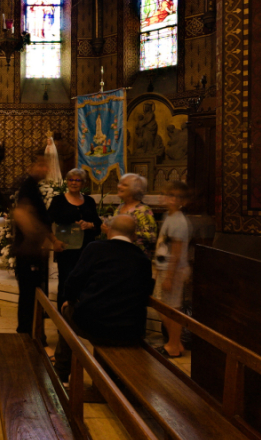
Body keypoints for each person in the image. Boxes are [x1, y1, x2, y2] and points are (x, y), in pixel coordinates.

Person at [53, 214, 154, 379]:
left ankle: (61, 373)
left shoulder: (95, 248)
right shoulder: (143, 259)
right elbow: (145, 293)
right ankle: (115, 381)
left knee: (67, 313)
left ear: (109, 231)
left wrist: (70, 301)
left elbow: (73, 282)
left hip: (94, 325)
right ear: (134, 235)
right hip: (130, 330)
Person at [12, 153, 63, 339]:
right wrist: (36, 238)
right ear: (31, 167)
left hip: (33, 252)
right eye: (41, 165)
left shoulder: (33, 187)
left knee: (34, 295)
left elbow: (40, 217)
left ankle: (34, 333)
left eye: (46, 165)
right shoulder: (28, 187)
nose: (45, 169)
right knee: (29, 296)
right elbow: (21, 214)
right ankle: (27, 334)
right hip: (28, 253)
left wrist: (53, 240)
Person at [48, 169, 100, 311]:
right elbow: (45, 223)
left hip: (86, 250)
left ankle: (80, 318)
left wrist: (90, 225)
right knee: (66, 282)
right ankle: (63, 319)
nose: (74, 183)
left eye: (77, 180)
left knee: (85, 282)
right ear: (67, 182)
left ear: (83, 183)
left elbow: (98, 223)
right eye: (71, 180)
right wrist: (54, 241)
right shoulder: (58, 200)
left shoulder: (89, 201)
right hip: (67, 249)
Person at [154, 180, 191, 358]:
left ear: (183, 201)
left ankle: (174, 345)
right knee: (162, 307)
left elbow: (176, 252)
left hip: (173, 270)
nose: (173, 199)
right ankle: (176, 342)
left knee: (172, 309)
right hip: (165, 268)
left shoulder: (179, 221)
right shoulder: (169, 216)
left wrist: (169, 276)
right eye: (170, 195)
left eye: (177, 197)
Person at [117, 173, 157, 259]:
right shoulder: (119, 207)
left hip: (136, 257)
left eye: (124, 185)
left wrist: (131, 235)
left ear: (134, 190)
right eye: (120, 183)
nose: (119, 186)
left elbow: (152, 237)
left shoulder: (143, 210)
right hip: (119, 254)